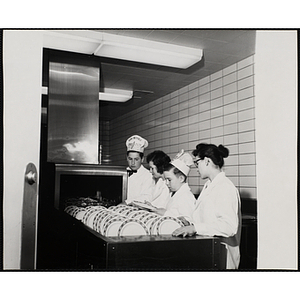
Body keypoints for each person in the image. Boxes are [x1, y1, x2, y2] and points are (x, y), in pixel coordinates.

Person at [172, 143, 242, 269]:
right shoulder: (209, 185)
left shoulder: (225, 187)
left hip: (222, 257)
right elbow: (207, 218)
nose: (196, 168)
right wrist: (190, 223)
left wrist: (195, 228)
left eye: (197, 163)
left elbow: (229, 226)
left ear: (207, 161)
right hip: (210, 252)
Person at [153, 150, 196, 220]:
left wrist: (165, 213)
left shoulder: (186, 197)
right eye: (166, 180)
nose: (166, 183)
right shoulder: (174, 193)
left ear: (181, 178)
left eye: (169, 180)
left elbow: (187, 221)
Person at [124, 135, 153, 204]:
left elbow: (146, 197)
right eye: (130, 159)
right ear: (127, 158)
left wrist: (127, 202)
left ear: (142, 159)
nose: (133, 163)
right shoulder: (122, 173)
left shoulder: (148, 175)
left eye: (136, 159)